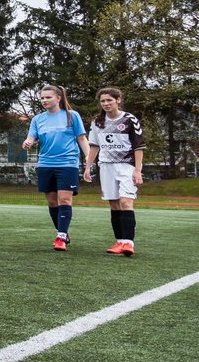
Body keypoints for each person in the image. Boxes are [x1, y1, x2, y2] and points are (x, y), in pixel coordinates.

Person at [22, 84, 92, 251]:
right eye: (42, 98)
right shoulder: (37, 119)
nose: (44, 100)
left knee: (65, 199)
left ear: (58, 98)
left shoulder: (72, 116)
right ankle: (62, 232)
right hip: (45, 164)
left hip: (68, 164)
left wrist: (89, 157)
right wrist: (28, 142)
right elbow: (31, 137)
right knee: (52, 201)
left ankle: (61, 237)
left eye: (48, 97)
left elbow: (81, 139)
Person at [84, 87, 145, 257]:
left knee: (126, 202)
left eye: (109, 100)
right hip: (106, 166)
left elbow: (138, 147)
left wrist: (138, 170)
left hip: (127, 166)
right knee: (114, 204)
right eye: (102, 101)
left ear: (118, 100)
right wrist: (88, 167)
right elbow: (94, 146)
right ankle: (119, 241)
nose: (106, 104)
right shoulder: (97, 122)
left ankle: (129, 243)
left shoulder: (129, 119)